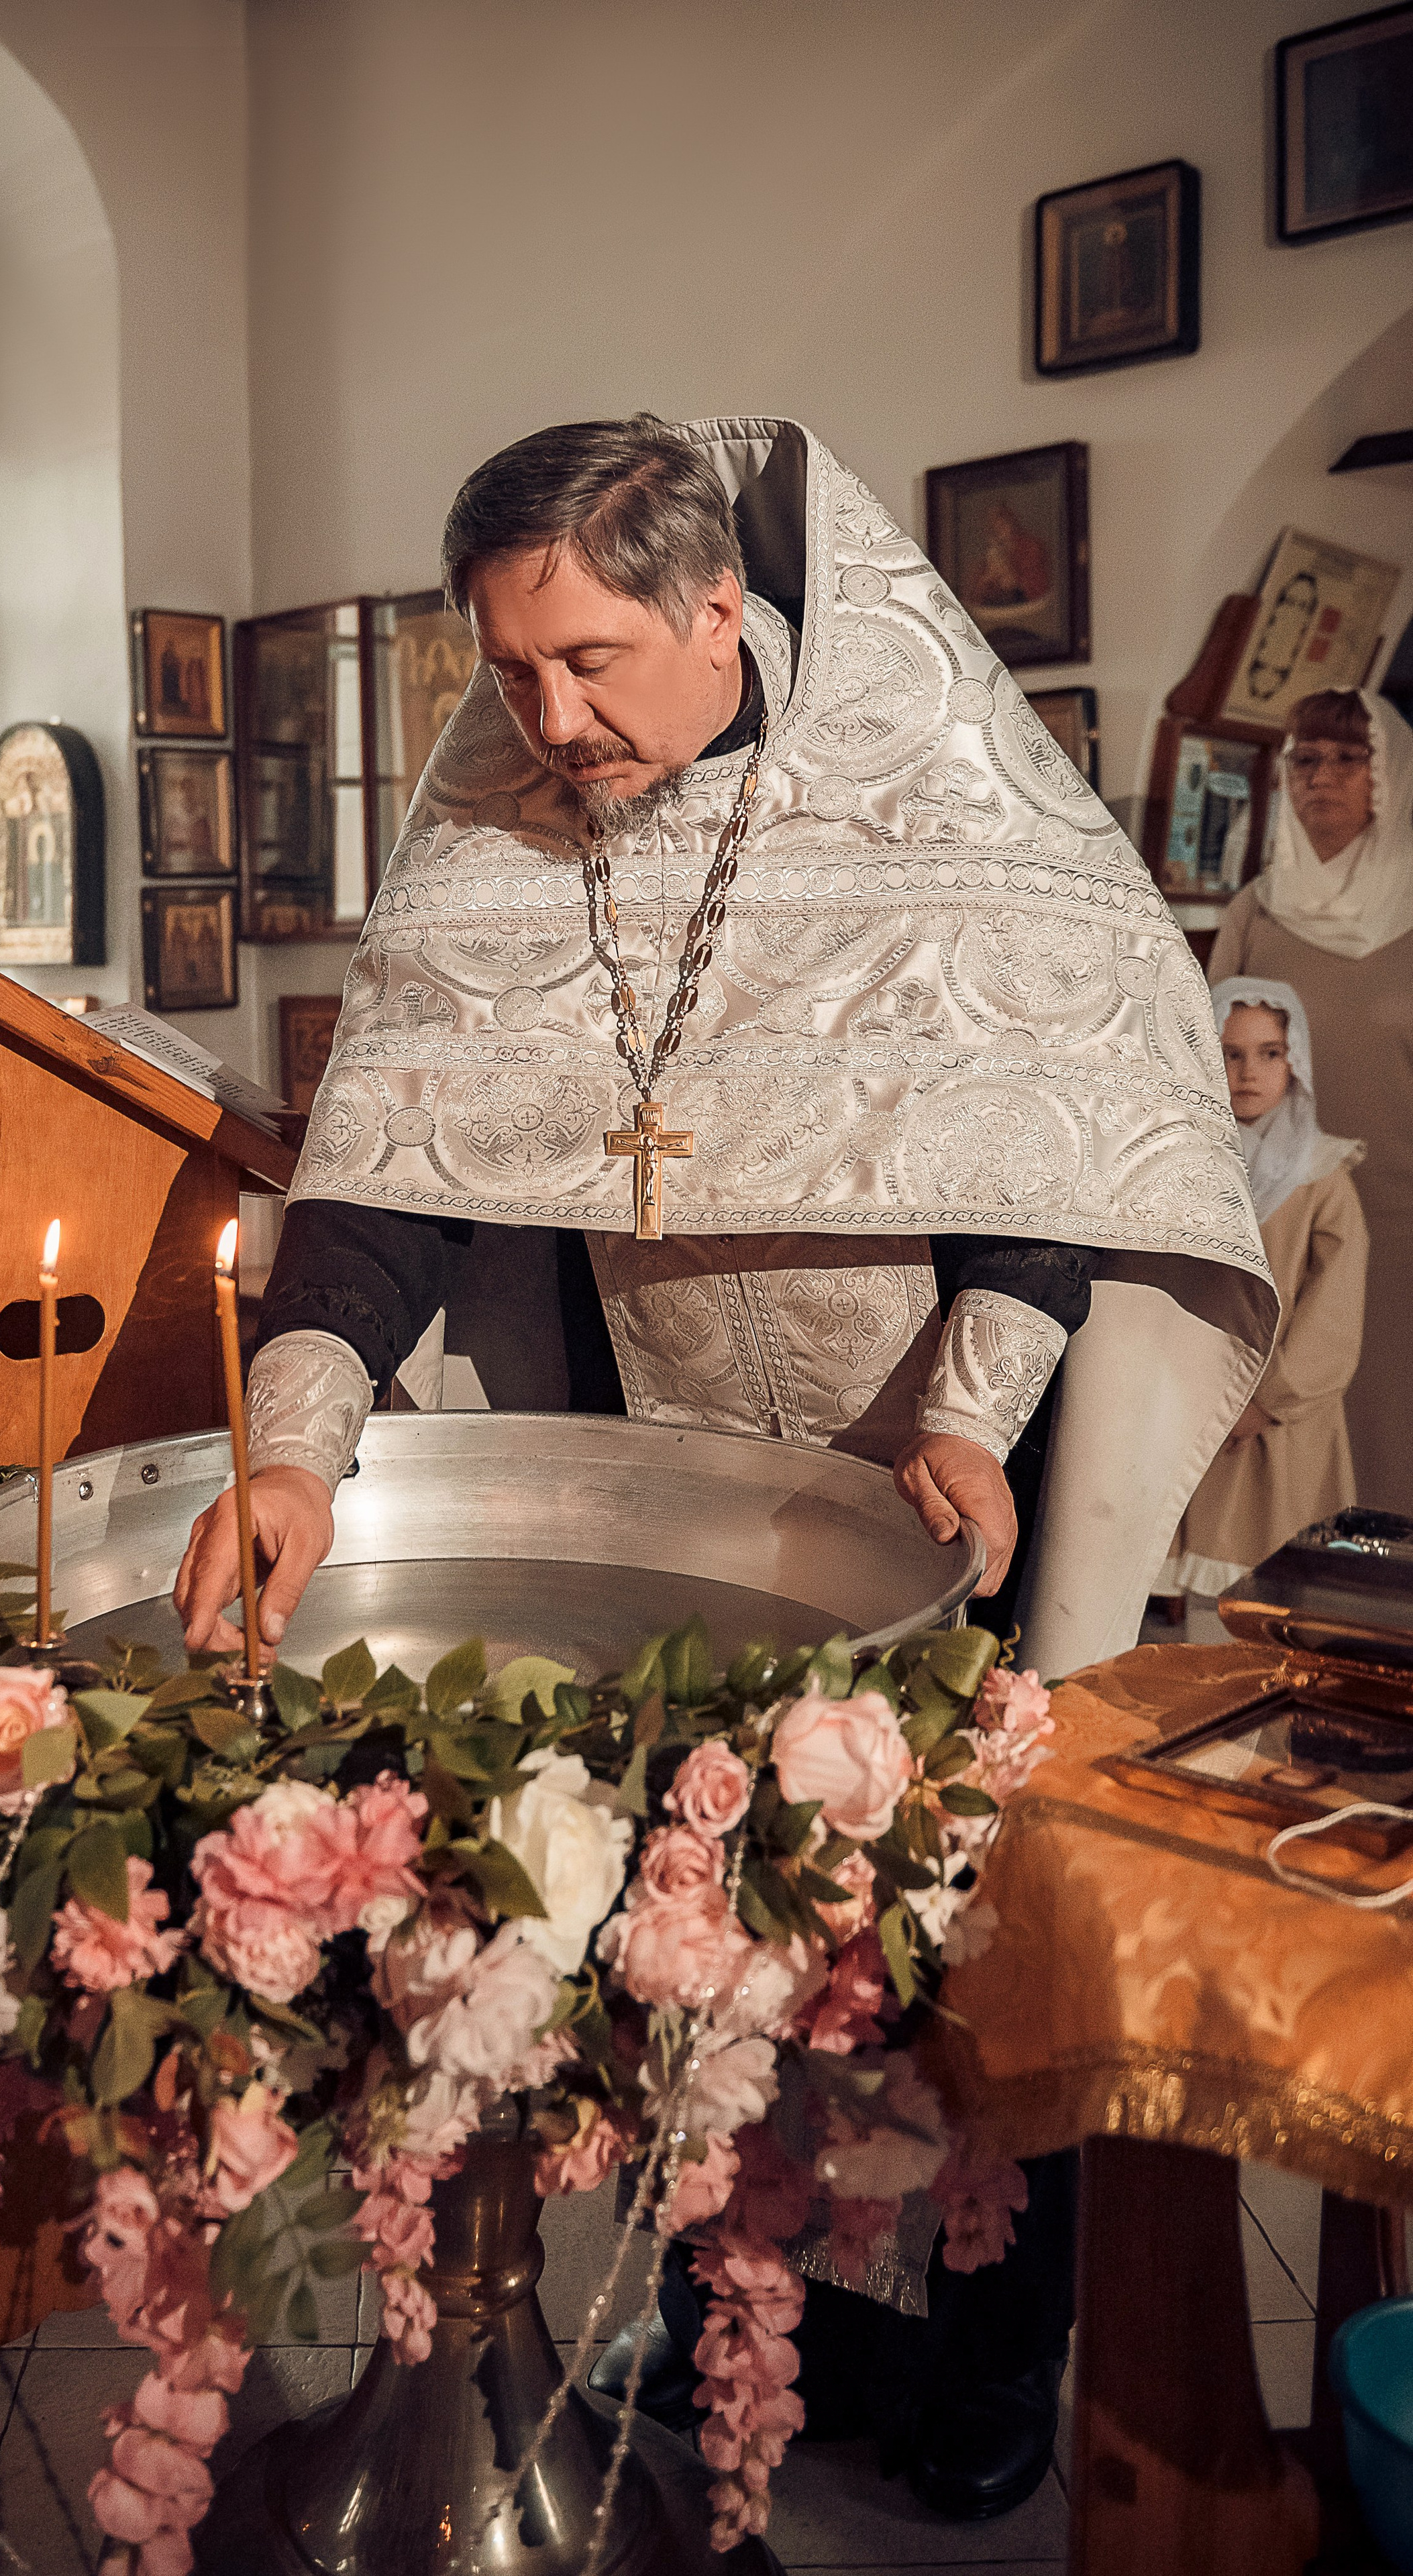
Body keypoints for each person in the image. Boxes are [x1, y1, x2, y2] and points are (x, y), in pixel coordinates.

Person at [176, 416, 1276, 2517]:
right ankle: (725, 2313)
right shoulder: (500, 800)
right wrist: (301, 1441)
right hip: (669, 1474)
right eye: (506, 670)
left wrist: (966, 1401)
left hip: (948, 1449)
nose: (546, 718)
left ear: (713, 608)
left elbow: (1038, 1147)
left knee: (954, 1922)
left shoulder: (932, 776)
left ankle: (980, 2357)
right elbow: (400, 1174)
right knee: (699, 1909)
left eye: (589, 660)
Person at [1209, 689, 1413, 1512]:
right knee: (1285, 1468)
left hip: (1402, 1222)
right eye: (1304, 760)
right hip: (1283, 1222)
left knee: (1392, 1429)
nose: (1320, 777)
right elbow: (1204, 1065)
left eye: (1347, 757)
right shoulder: (1255, 912)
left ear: (1389, 776)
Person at [1159, 979, 1365, 1608]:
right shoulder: (1178, 1161)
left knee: (1262, 1591)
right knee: (1188, 1591)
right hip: (1189, 1398)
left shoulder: (1322, 1181)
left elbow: (1332, 1315)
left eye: (1270, 1053)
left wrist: (1266, 1399)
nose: (1250, 1072)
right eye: (1230, 1053)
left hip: (1276, 1418)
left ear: (1294, 1059)